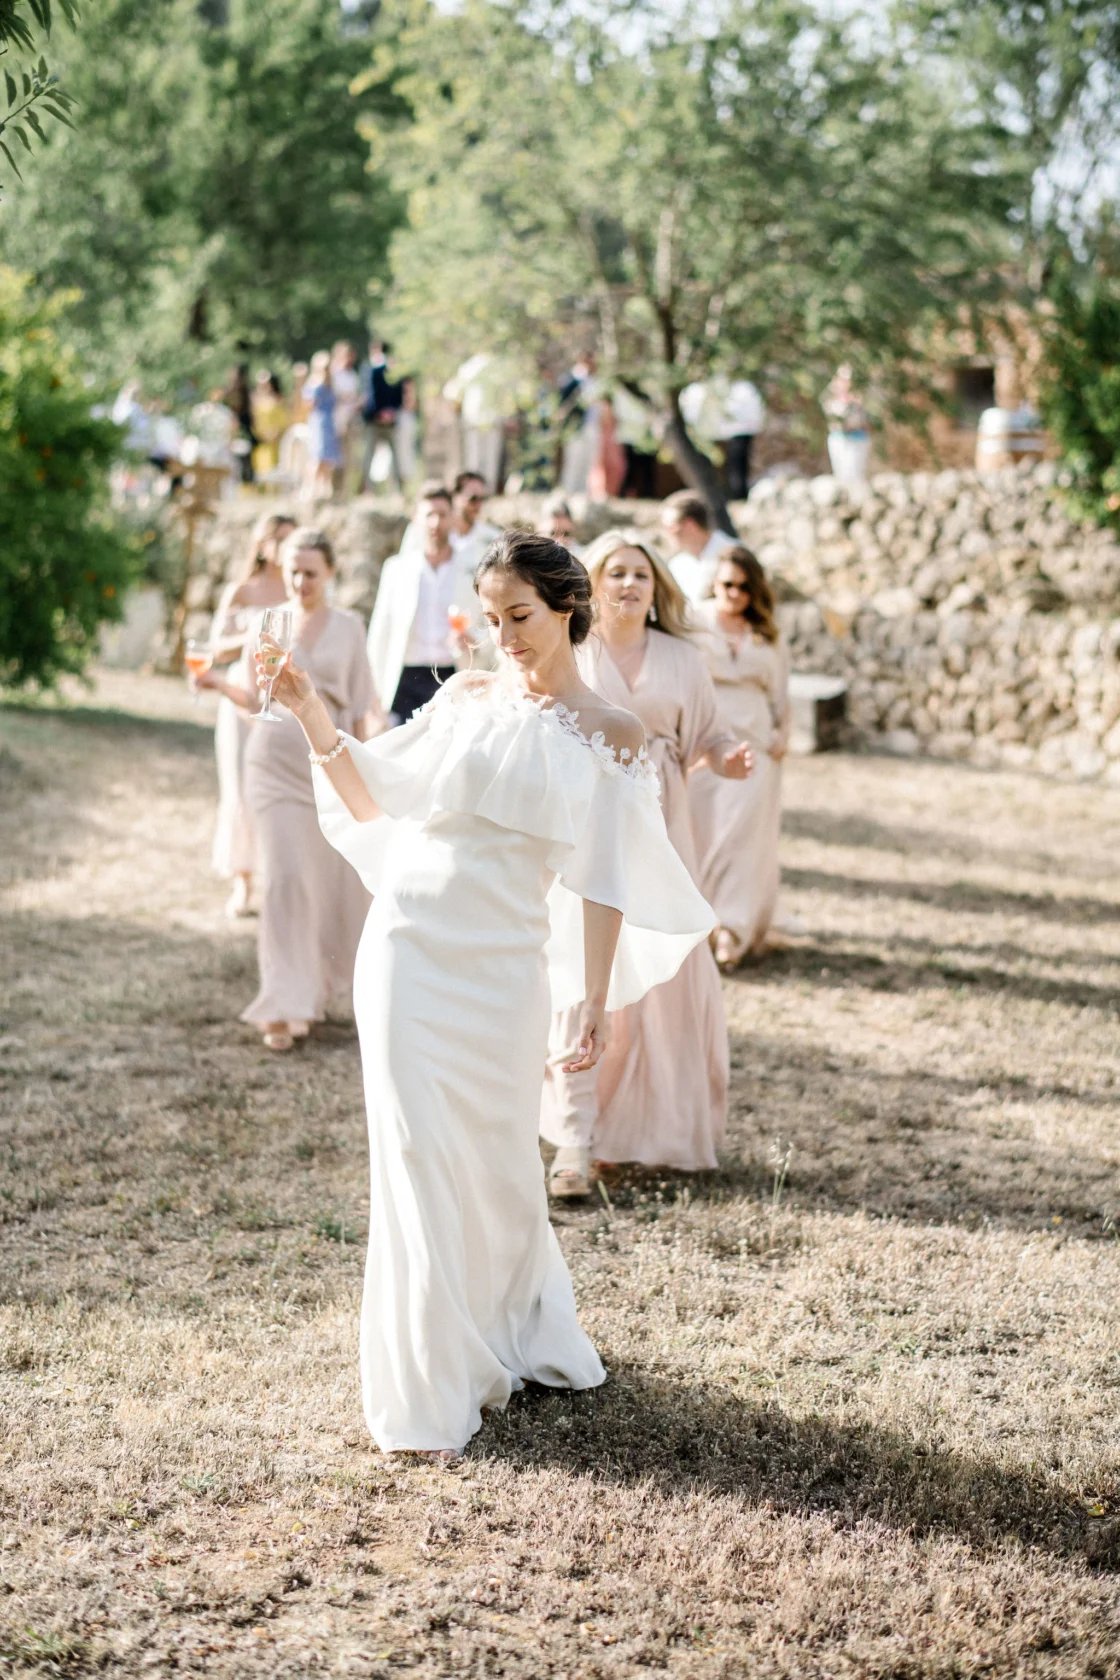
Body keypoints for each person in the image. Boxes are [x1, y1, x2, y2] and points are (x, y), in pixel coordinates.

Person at [260, 529, 715, 1455]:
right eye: (492, 617)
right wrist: (309, 709)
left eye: (520, 616)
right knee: (417, 1156)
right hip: (407, 951)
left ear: (568, 610)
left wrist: (591, 998)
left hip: (504, 971)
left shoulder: (614, 733)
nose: (502, 637)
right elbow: (372, 798)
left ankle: (512, 1323)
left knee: (500, 1163)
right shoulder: (465, 696)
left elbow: (606, 877)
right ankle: (431, 1379)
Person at [539, 530, 753, 1195]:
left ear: (656, 587)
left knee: (665, 974)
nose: (629, 583)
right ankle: (575, 1140)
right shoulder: (572, 651)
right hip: (584, 823)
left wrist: (727, 758)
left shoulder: (683, 657)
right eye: (617, 572)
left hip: (663, 824)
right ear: (592, 584)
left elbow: (709, 735)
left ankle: (658, 1130)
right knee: (585, 970)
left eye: (641, 574)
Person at [197, 529, 381, 1051]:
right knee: (284, 881)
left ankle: (322, 991)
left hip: (329, 767)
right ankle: (282, 1003)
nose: (300, 581)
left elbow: (361, 706)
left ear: (330, 573)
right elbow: (253, 698)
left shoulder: (350, 627)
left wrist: (363, 774)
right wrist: (218, 685)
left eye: (310, 572)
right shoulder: (267, 622)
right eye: (293, 571)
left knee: (332, 885)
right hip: (274, 765)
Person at [689, 547, 790, 968]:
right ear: (714, 582)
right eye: (728, 584)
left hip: (754, 745)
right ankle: (700, 923)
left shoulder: (766, 632)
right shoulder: (693, 622)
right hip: (705, 741)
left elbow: (780, 691)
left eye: (745, 587)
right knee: (703, 834)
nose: (735, 594)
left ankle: (732, 927)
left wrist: (782, 732)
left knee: (741, 840)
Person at [209, 512, 295, 918]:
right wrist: (256, 633)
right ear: (262, 544)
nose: (286, 548)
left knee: (282, 791)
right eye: (280, 539)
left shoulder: (298, 589)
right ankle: (242, 882)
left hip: (284, 699)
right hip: (240, 699)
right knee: (241, 788)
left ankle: (280, 881)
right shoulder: (240, 591)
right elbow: (215, 647)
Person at [366, 483, 481, 723]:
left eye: (442, 514)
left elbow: (486, 622)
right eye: (429, 515)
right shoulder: (396, 568)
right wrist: (373, 690)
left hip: (453, 674)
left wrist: (473, 641)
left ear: (453, 517)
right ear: (416, 518)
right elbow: (381, 630)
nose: (435, 523)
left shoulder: (472, 569)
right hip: (405, 678)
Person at [679, 377, 767, 502]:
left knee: (736, 465)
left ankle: (736, 495)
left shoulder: (743, 388)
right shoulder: (743, 388)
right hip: (722, 429)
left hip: (737, 429)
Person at [659, 489, 739, 605]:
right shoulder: (677, 564)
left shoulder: (734, 555)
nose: (665, 534)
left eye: (670, 527)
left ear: (690, 525)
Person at [359, 339, 404, 491]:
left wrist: (391, 411)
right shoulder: (370, 369)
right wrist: (378, 412)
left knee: (394, 455)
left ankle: (396, 488)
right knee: (369, 454)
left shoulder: (392, 368)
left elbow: (397, 391)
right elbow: (369, 394)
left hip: (389, 419)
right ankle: (367, 488)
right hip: (374, 419)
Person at [822, 365, 871, 484]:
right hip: (838, 439)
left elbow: (863, 421)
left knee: (854, 476)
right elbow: (832, 419)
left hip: (856, 439)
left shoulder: (860, 398)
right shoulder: (830, 398)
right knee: (841, 475)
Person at [303, 352, 342, 498]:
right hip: (318, 423)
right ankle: (310, 488)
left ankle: (324, 489)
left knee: (328, 459)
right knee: (317, 456)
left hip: (330, 423)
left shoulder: (331, 384)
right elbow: (309, 405)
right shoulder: (314, 383)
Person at [449, 470, 502, 566]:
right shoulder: (436, 535)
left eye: (482, 499)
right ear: (455, 496)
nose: (478, 505)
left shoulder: (494, 539)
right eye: (473, 499)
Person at [331, 342, 363, 492]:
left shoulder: (352, 375)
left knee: (347, 457)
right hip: (336, 421)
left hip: (350, 420)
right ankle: (334, 489)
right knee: (335, 457)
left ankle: (344, 490)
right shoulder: (333, 374)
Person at [250, 372, 289, 480]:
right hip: (261, 441)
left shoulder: (278, 400)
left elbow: (283, 419)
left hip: (276, 440)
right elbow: (255, 420)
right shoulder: (255, 401)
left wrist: (275, 433)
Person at [224, 364, 258, 485]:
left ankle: (248, 481)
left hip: (245, 427)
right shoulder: (229, 391)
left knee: (247, 459)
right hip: (233, 426)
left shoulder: (246, 392)